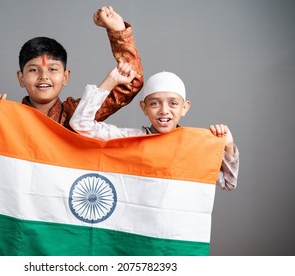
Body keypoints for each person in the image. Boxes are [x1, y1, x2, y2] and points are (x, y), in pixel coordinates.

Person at [0, 6, 144, 172]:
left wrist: (118, 31)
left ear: (65, 77)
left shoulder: (78, 114)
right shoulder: (5, 118)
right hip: (19, 216)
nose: (44, 76)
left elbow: (130, 83)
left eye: (53, 69)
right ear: (21, 78)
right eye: (33, 70)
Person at [70, 63, 239, 190]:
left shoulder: (192, 148)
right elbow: (80, 124)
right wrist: (111, 80)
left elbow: (228, 182)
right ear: (144, 108)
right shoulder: (129, 139)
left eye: (173, 103)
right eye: (155, 103)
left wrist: (228, 146)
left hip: (172, 232)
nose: (164, 111)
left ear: (184, 107)